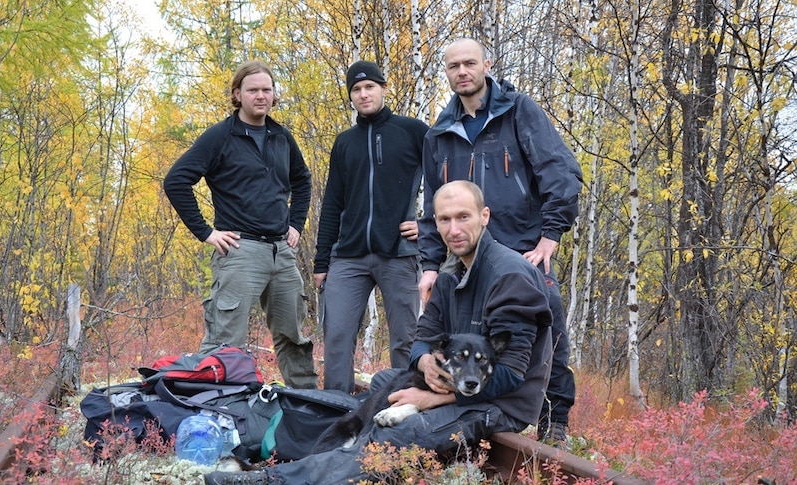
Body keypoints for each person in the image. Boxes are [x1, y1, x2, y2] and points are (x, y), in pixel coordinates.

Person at [206, 180, 553, 485]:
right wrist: (425, 365)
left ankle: (271, 480)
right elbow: (422, 340)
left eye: (463, 217)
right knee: (385, 382)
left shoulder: (510, 277)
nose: (453, 229)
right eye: (444, 220)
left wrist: (432, 398)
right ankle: (331, 452)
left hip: (501, 404)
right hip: (455, 384)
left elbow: (509, 376)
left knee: (396, 431)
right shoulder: (449, 274)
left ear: (485, 216)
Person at [418, 38, 583, 446]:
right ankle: (470, 412)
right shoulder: (439, 133)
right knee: (469, 339)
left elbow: (560, 171)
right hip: (464, 256)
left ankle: (554, 421)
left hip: (522, 248)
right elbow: (432, 204)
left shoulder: (519, 112)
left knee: (549, 333)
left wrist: (550, 235)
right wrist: (428, 264)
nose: (462, 71)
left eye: (469, 63)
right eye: (453, 65)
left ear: (486, 65)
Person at [163, 60, 318, 389]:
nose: (261, 96)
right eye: (253, 90)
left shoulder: (281, 137)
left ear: (274, 95)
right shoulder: (219, 137)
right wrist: (205, 232)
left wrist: (296, 224)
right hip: (240, 251)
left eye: (267, 89)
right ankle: (217, 411)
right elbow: (176, 181)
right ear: (237, 94)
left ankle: (307, 406)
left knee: (293, 335)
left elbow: (302, 182)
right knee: (226, 341)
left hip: (282, 251)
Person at [314, 60, 429, 393]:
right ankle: (335, 409)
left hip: (398, 252)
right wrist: (322, 261)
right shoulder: (344, 143)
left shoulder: (412, 131)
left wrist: (429, 224)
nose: (363, 94)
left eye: (369, 87)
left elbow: (446, 179)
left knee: (405, 339)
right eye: (356, 89)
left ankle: (403, 409)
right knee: (336, 334)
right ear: (350, 96)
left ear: (383, 88)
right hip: (348, 255)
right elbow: (332, 203)